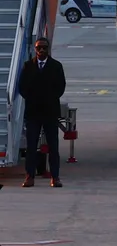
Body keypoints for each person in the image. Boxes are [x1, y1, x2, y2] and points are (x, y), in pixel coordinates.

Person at [17, 37, 66, 187]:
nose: (42, 50)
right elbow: (22, 87)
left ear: (48, 49)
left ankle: (55, 177)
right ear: (35, 49)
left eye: (44, 47)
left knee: (53, 146)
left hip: (50, 112)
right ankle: (29, 176)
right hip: (33, 112)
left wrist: (49, 98)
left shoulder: (56, 66)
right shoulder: (27, 66)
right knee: (31, 146)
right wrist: (32, 98)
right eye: (39, 48)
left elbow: (61, 87)